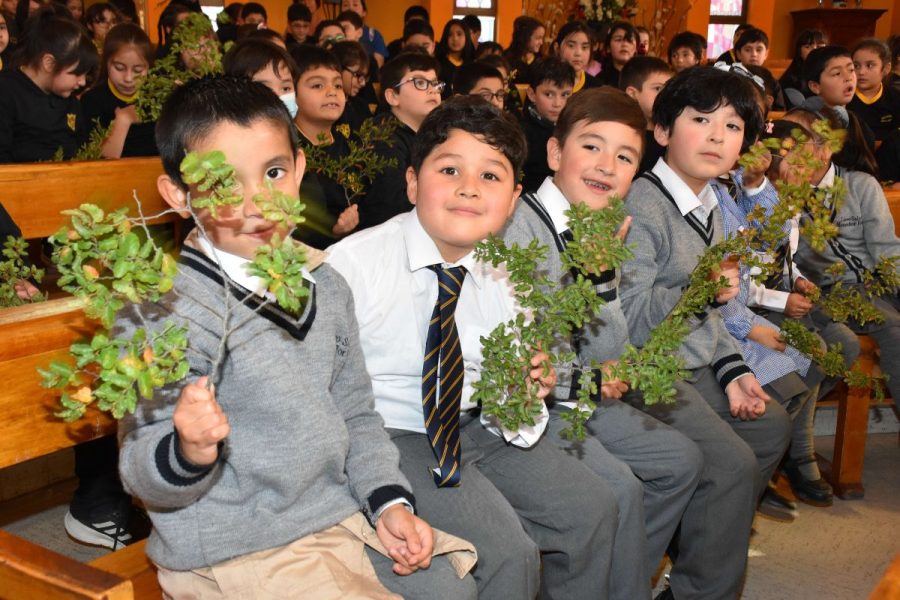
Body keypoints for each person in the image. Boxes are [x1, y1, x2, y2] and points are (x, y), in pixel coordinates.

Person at [119, 74, 476, 599]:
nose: (258, 201)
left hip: (333, 514)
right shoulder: (162, 311)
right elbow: (139, 470)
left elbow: (355, 410)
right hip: (235, 544)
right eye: (223, 183)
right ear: (177, 195)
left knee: (455, 589)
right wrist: (189, 449)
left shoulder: (326, 285)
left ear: (300, 168)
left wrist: (388, 503)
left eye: (274, 172)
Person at [327, 95, 618, 600]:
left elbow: (515, 371)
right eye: (449, 169)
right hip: (395, 432)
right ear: (413, 181)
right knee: (508, 554)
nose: (468, 188)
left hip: (480, 421)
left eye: (490, 176)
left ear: (512, 199)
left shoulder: (506, 270)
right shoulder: (352, 267)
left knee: (592, 507)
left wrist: (533, 382)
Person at [502, 86, 703, 600]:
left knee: (680, 460)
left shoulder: (600, 228)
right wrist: (590, 376)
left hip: (579, 389)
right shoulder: (517, 228)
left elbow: (606, 353)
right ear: (554, 153)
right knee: (619, 487)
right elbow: (524, 366)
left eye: (625, 156)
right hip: (535, 402)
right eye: (591, 146)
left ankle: (617, 576)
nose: (606, 165)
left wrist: (602, 280)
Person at [619, 66, 793, 599]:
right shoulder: (641, 206)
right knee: (731, 463)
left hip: (695, 364)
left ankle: (701, 544)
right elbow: (631, 321)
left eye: (734, 126)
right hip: (646, 371)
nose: (719, 136)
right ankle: (701, 585)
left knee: (770, 428)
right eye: (701, 119)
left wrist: (734, 368)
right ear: (664, 131)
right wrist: (698, 292)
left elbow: (714, 313)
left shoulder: (711, 202)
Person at [0, 8, 98, 163]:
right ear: (49, 63)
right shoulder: (6, 91)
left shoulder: (70, 101)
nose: (82, 82)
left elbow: (82, 150)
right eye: (77, 73)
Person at [358, 52, 442, 231]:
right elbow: (393, 206)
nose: (432, 90)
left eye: (435, 83)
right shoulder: (382, 138)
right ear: (392, 96)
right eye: (420, 83)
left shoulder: (435, 134)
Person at [290, 45, 358, 244]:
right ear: (292, 94)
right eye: (317, 86)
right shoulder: (289, 149)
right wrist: (333, 231)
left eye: (337, 85)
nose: (332, 92)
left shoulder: (352, 144)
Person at [81, 23, 157, 158]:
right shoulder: (92, 101)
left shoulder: (157, 97)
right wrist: (123, 120)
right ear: (106, 63)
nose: (128, 78)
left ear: (149, 68)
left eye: (138, 70)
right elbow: (100, 161)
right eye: (119, 68)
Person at [804, 45, 879, 169]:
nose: (848, 78)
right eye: (837, 73)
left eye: (851, 70)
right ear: (815, 86)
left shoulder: (859, 124)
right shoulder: (805, 123)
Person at [520, 57, 575, 192]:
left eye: (565, 95)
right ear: (532, 94)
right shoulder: (521, 133)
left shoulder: (574, 128)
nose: (557, 103)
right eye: (549, 94)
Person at [620, 55, 672, 174]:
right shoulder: (624, 136)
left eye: (668, 89)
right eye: (658, 88)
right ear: (632, 94)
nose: (666, 95)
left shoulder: (671, 135)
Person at [849, 38, 900, 144]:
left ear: (886, 68)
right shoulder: (842, 97)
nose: (861, 72)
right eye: (856, 66)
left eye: (870, 65)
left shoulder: (895, 97)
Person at [780, 29, 827, 108]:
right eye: (808, 47)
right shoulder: (790, 79)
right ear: (799, 51)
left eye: (819, 46)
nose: (814, 50)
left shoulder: (832, 75)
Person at [555, 20, 599, 92]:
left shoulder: (596, 88)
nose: (578, 53)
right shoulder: (544, 80)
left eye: (584, 47)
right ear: (557, 48)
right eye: (571, 46)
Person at [340, 0, 386, 67]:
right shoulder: (335, 32)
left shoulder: (374, 36)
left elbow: (378, 66)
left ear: (364, 12)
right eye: (345, 5)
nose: (350, 8)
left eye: (355, 5)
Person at [436, 18, 474, 94]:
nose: (455, 38)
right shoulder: (438, 64)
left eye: (459, 34)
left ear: (466, 36)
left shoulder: (471, 65)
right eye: (450, 35)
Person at [503, 15, 544, 85]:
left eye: (542, 38)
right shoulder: (506, 59)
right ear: (525, 37)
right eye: (538, 38)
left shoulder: (542, 61)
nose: (541, 42)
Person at [596, 21, 637, 89]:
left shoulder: (643, 77)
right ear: (608, 48)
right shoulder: (599, 81)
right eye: (618, 40)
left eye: (629, 40)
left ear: (636, 48)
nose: (624, 44)